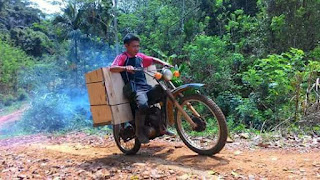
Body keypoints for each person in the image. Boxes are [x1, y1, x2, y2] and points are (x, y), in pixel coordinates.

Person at [110, 33, 173, 144]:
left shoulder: (140, 57)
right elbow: (112, 68)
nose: (136, 48)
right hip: (135, 89)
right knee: (143, 104)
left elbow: (152, 59)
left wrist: (163, 63)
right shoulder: (123, 57)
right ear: (126, 46)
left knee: (164, 91)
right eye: (134, 46)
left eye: (138, 46)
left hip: (146, 88)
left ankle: (163, 126)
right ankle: (139, 132)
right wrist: (125, 68)